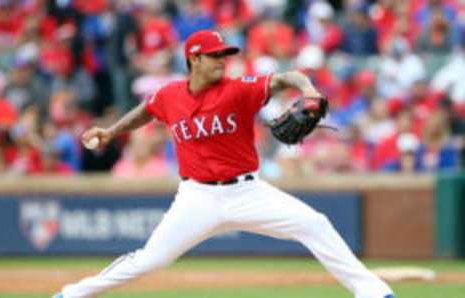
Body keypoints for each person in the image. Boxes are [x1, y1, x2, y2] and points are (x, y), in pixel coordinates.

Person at [53, 30, 394, 298]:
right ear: (194, 59)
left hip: (248, 192)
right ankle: (73, 294)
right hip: (196, 198)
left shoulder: (238, 89)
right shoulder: (170, 95)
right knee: (149, 260)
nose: (223, 60)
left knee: (315, 224)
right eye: (215, 55)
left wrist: (309, 91)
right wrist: (112, 132)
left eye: (225, 54)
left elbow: (287, 77)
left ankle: (373, 292)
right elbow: (147, 109)